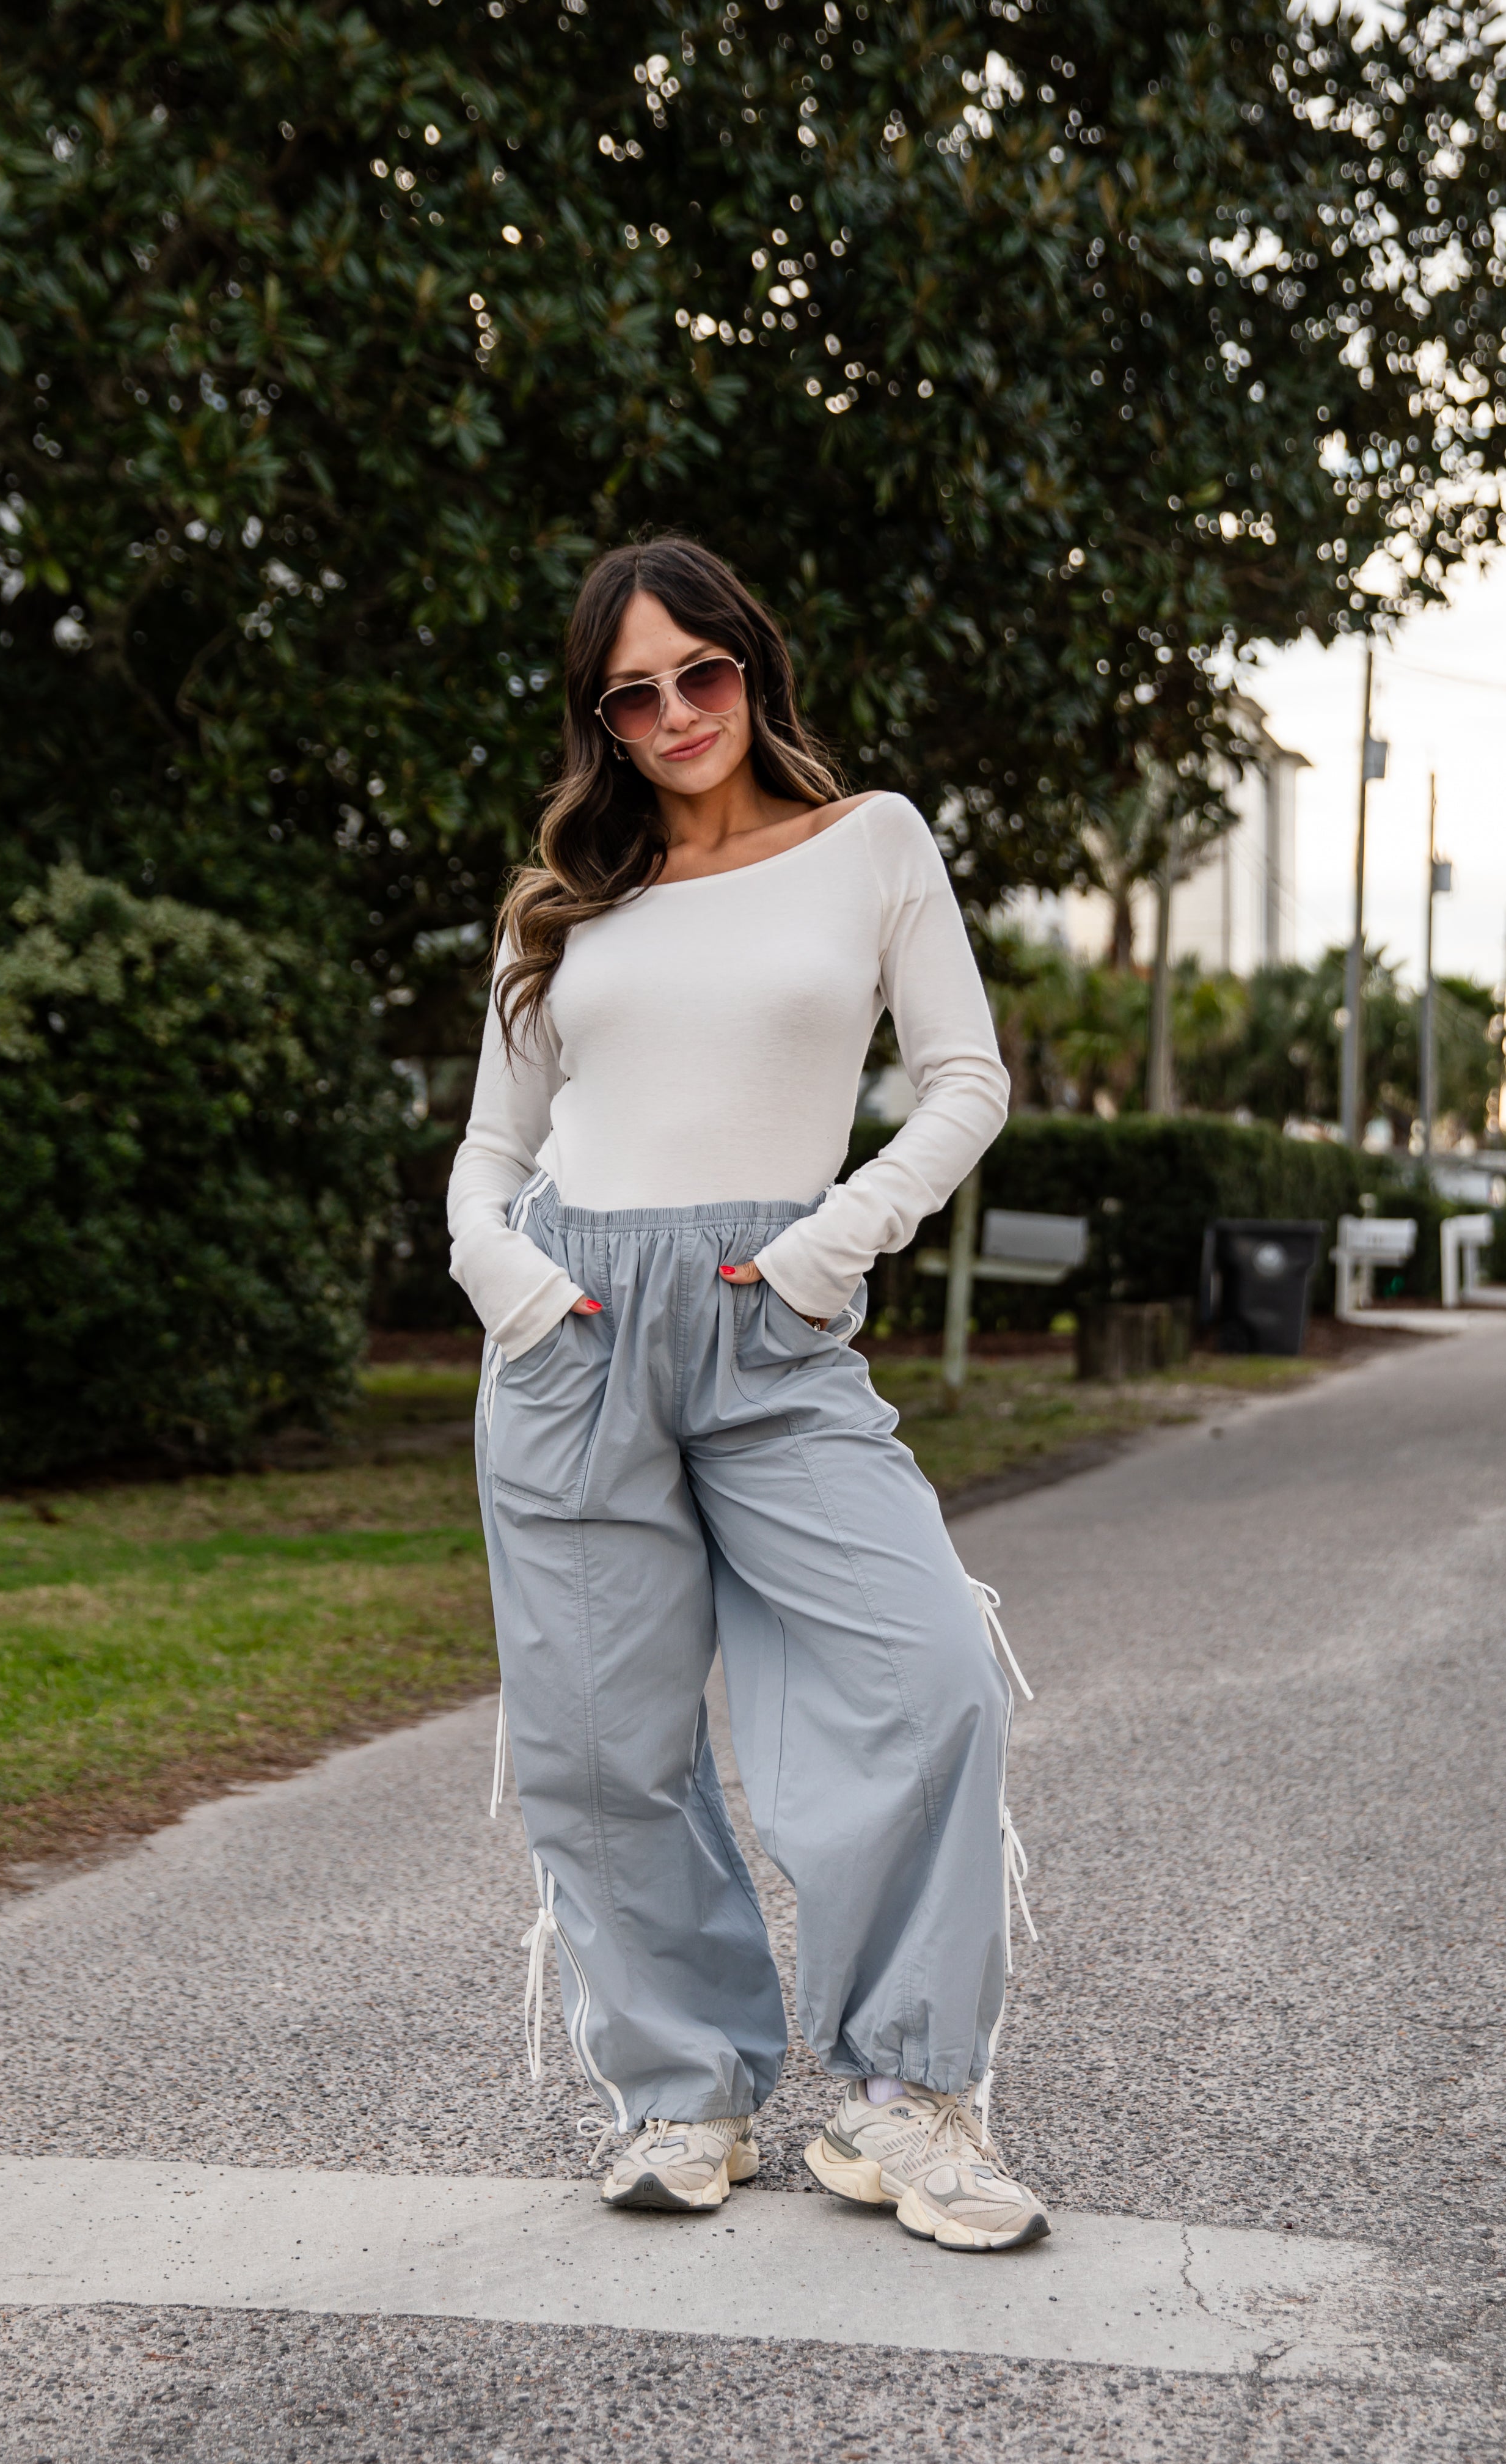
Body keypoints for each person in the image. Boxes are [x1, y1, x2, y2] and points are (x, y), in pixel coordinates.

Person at [447, 536, 1047, 2254]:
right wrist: (512, 1284)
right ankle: (681, 2093)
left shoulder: (869, 843)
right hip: (569, 1329)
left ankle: (903, 2100)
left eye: (698, 674)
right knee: (599, 1740)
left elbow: (961, 1078)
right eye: (630, 695)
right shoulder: (564, 902)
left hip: (772, 1326)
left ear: (751, 670)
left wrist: (827, 1248)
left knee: (925, 1674)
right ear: (600, 722)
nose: (672, 714)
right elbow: (489, 1151)